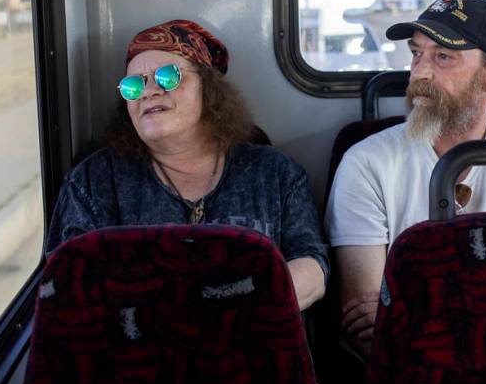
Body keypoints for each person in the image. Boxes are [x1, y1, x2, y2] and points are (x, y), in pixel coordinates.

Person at [326, 0, 486, 352]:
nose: (420, 72)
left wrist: (422, 315)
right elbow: (367, 324)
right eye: (416, 54)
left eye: (443, 57)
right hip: (416, 376)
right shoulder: (367, 162)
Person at [44, 19, 328, 310]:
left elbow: (313, 268)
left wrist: (231, 303)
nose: (149, 91)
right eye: (133, 85)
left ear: (208, 89)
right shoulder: (94, 181)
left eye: (167, 77)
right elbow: (64, 283)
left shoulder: (274, 172)